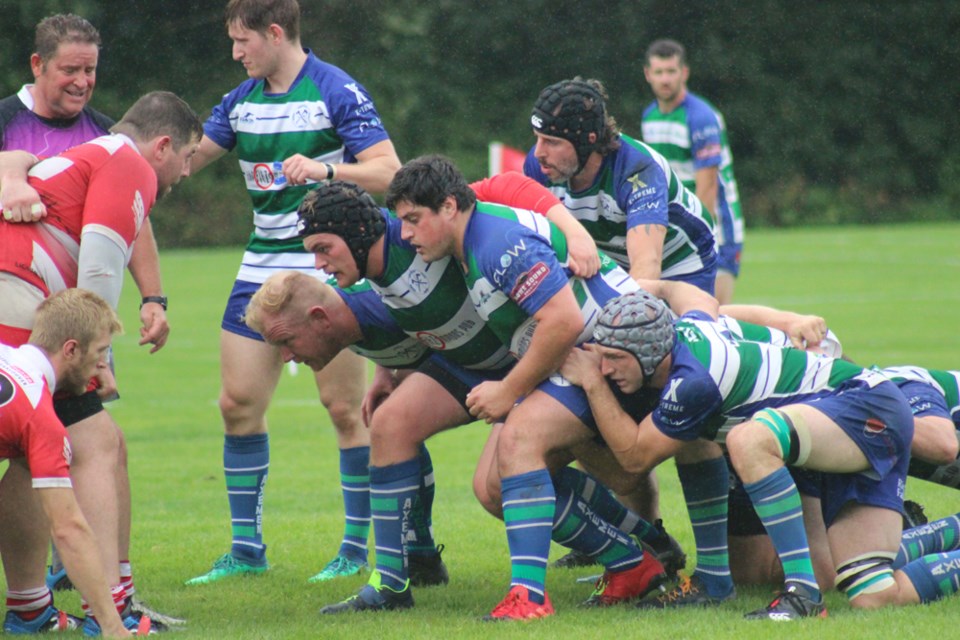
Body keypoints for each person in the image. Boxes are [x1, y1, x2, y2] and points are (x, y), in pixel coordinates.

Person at [379, 154, 707, 621]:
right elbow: (509, 182)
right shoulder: (472, 237)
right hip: (579, 356)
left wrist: (507, 390)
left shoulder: (495, 242)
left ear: (449, 207)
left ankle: (529, 598)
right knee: (491, 488)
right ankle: (640, 554)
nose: (406, 235)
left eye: (413, 220)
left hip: (606, 357)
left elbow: (563, 320)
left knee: (520, 440)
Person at [561, 290, 960, 619]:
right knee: (873, 594)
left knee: (748, 439)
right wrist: (645, 284)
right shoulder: (683, 333)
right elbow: (694, 297)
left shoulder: (694, 381)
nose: (605, 369)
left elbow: (633, 460)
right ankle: (722, 580)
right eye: (601, 359)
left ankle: (801, 596)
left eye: (614, 359)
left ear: (650, 354)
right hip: (816, 429)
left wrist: (591, 386)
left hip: (865, 404)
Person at [182, 0, 404, 586]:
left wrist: (330, 171)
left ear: (274, 33)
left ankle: (354, 549)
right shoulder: (240, 100)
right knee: (237, 405)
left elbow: (390, 172)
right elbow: (187, 157)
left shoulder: (336, 91)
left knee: (343, 409)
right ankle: (246, 549)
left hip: (325, 271)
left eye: (241, 41)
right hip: (259, 266)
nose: (236, 53)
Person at [0, 90, 201, 630]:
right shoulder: (127, 162)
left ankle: (30, 608)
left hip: (14, 298)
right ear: (162, 146)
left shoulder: (95, 154)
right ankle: (109, 610)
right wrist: (99, 353)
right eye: (186, 159)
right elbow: (100, 264)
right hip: (19, 300)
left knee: (31, 451)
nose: (185, 173)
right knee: (95, 442)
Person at [0, 288, 147, 637]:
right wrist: (113, 627)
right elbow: (69, 530)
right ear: (70, 350)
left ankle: (29, 608)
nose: (103, 366)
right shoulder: (41, 418)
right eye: (100, 353)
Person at [525, 76, 717, 293]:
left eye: (552, 142)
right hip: (614, 261)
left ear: (588, 140)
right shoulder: (541, 165)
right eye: (538, 138)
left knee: (670, 324)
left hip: (679, 261)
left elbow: (647, 264)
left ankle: (752, 323)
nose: (539, 152)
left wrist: (626, 316)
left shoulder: (636, 170)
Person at [641, 39, 745, 304]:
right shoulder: (649, 116)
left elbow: (707, 186)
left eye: (671, 71)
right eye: (659, 72)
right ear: (648, 74)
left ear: (684, 73)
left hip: (715, 230)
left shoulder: (701, 118)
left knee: (715, 316)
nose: (665, 79)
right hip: (679, 229)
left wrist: (700, 238)